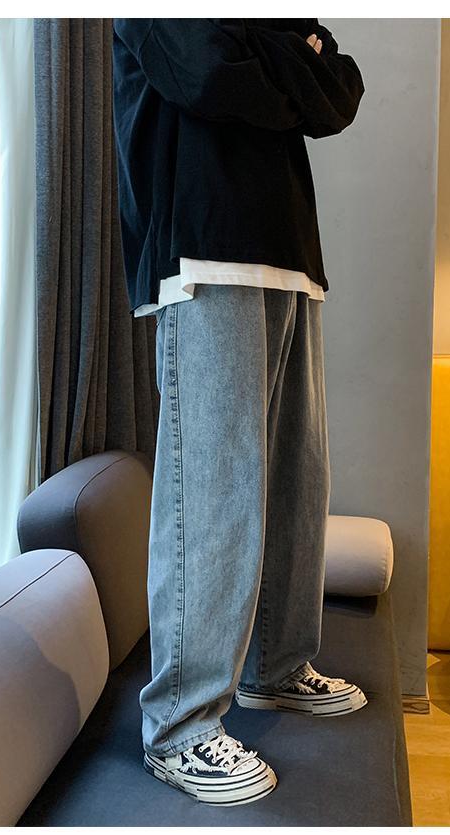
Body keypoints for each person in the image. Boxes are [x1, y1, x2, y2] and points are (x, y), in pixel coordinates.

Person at [112, 18, 365, 806]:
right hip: (202, 243)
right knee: (215, 489)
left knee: (298, 482)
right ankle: (179, 724)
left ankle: (276, 666)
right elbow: (202, 71)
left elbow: (341, 92)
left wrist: (267, 50)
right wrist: (291, 56)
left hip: (292, 255)